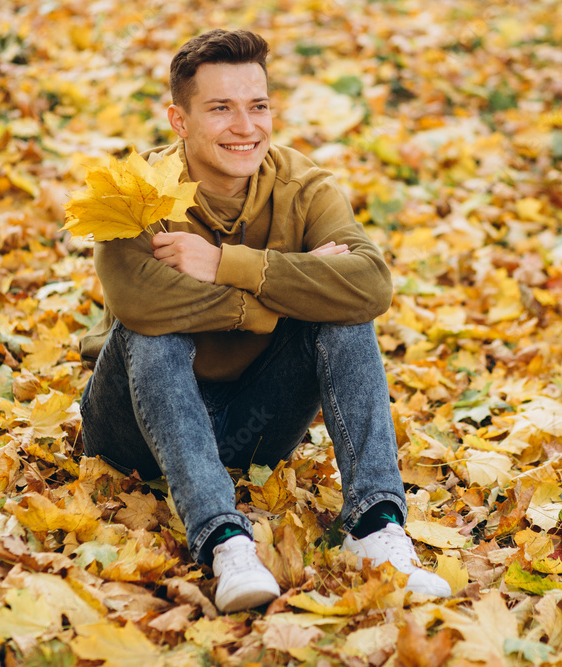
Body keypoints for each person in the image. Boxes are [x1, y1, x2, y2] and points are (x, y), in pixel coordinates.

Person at [78, 28, 451, 613]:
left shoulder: (303, 185)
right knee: (153, 333)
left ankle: (376, 528)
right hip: (132, 432)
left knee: (346, 316)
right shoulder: (134, 195)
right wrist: (282, 292)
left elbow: (371, 284)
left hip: (257, 426)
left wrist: (225, 264)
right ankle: (223, 540)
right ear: (179, 121)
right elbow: (141, 305)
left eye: (258, 106)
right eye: (221, 109)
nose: (246, 127)